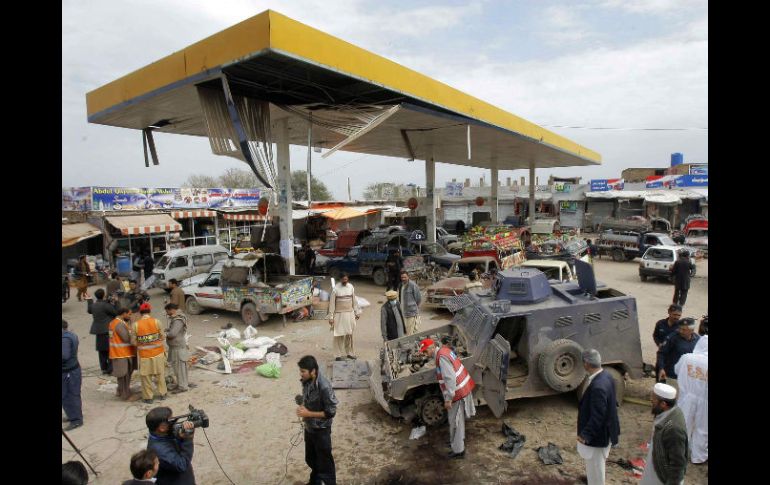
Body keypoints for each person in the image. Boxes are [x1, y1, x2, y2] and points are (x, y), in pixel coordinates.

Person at [421, 337, 476, 459]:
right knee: (456, 421)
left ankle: (458, 451)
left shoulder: (441, 358)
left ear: (432, 347)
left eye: (426, 351)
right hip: (462, 388)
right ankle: (455, 443)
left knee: (456, 422)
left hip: (458, 392)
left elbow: (449, 378)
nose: (425, 355)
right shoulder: (444, 351)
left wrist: (448, 399)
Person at [576, 349, 620, 485]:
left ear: (587, 364)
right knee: (595, 469)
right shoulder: (606, 376)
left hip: (598, 437)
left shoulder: (597, 387)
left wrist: (585, 435)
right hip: (606, 432)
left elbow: (598, 416)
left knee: (596, 470)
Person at [297, 355, 338, 485]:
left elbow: (331, 412)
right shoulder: (306, 381)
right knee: (310, 459)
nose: (301, 374)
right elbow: (307, 397)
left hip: (321, 431)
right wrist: (302, 404)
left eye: (303, 371)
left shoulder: (324, 386)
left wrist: (308, 413)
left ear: (313, 371)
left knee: (325, 464)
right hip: (309, 428)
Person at [639, 383, 689, 485]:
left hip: (662, 477)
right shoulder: (666, 412)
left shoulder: (674, 429)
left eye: (654, 399)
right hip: (654, 468)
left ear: (663, 404)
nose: (651, 400)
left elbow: (678, 464)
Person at [674, 335, 708, 464]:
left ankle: (677, 453)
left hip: (686, 396)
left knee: (683, 424)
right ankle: (698, 456)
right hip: (705, 400)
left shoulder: (686, 358)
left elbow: (677, 370)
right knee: (702, 428)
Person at [146, 407, 196, 485]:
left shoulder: (159, 434)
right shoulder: (160, 450)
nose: (174, 422)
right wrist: (187, 439)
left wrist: (180, 437)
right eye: (171, 421)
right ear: (162, 428)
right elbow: (181, 465)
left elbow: (169, 439)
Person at [132, 303, 168, 404]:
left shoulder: (136, 325)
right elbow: (162, 336)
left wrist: (142, 343)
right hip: (158, 354)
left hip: (145, 356)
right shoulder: (157, 322)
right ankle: (163, 393)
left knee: (146, 377)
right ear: (150, 311)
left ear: (140, 312)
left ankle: (148, 397)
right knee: (160, 374)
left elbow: (133, 342)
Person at [656, 318, 700, 390]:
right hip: (673, 376)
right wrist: (661, 368)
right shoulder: (672, 338)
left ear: (692, 330)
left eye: (684, 329)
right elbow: (661, 353)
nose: (680, 331)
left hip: (688, 377)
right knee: (672, 398)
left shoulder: (698, 340)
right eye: (680, 328)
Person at [327, 273, 361, 361]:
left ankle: (349, 353)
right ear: (341, 279)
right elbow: (332, 304)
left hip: (349, 314)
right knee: (338, 335)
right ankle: (337, 355)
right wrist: (331, 317)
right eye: (343, 279)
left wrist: (357, 312)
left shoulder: (351, 287)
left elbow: (354, 301)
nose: (345, 281)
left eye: (346, 279)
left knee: (349, 335)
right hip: (339, 315)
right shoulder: (336, 289)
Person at [110, 307, 138, 401]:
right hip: (122, 353)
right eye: (129, 314)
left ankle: (120, 390)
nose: (130, 316)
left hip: (118, 353)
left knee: (121, 375)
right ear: (123, 313)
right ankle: (126, 394)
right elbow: (126, 338)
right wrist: (134, 334)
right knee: (125, 375)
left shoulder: (113, 322)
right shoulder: (119, 324)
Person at [87, 288, 117, 375]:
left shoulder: (94, 305)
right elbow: (114, 313)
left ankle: (103, 368)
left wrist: (89, 300)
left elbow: (89, 310)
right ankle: (110, 369)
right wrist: (114, 303)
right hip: (107, 331)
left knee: (101, 351)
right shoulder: (105, 305)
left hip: (98, 331)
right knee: (109, 350)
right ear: (103, 295)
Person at [165, 303, 193, 394]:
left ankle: (183, 386)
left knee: (179, 368)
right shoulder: (179, 318)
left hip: (178, 347)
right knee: (179, 367)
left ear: (172, 309)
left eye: (167, 311)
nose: (167, 313)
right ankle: (182, 384)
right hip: (177, 346)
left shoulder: (178, 320)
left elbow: (173, 334)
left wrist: (166, 334)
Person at [62, 319, 84, 430]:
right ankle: (72, 415)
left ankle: (76, 419)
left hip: (68, 371)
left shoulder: (64, 339)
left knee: (69, 395)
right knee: (70, 394)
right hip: (72, 369)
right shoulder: (71, 335)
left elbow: (64, 356)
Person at [398, 270, 422, 335]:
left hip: (411, 312)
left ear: (408, 277)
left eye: (405, 277)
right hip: (403, 311)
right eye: (402, 277)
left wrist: (414, 308)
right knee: (406, 330)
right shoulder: (401, 285)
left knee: (410, 332)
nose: (403, 279)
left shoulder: (413, 285)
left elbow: (418, 298)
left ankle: (410, 344)